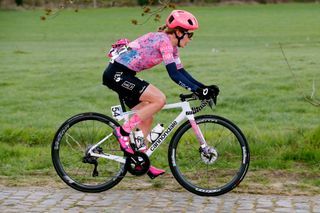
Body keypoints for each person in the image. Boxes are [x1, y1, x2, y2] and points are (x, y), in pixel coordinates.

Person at [102, 10, 219, 179]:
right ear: (179, 32)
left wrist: (203, 88)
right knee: (159, 99)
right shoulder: (163, 41)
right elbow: (174, 75)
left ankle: (141, 161)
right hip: (117, 74)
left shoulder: (172, 47)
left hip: (125, 75)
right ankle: (123, 131)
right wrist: (198, 90)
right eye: (189, 35)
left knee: (147, 116)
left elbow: (181, 71)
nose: (191, 38)